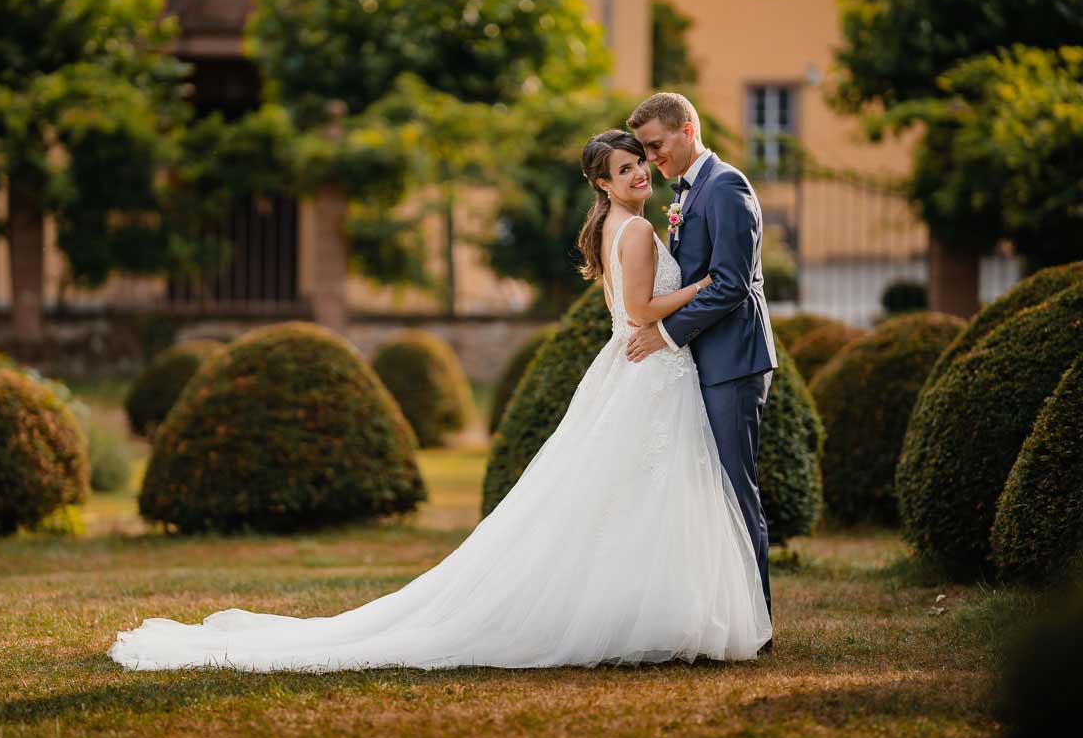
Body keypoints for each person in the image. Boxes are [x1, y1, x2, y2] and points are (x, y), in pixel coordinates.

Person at [108, 129, 772, 673]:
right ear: (602, 181)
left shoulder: (621, 226)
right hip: (649, 365)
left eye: (640, 164)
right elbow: (640, 308)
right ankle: (653, 618)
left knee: (635, 496)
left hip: (647, 369)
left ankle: (655, 613)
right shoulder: (630, 232)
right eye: (625, 168)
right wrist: (704, 284)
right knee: (645, 492)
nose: (638, 175)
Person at [626, 93, 778, 633]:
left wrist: (664, 333)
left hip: (733, 361)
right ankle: (724, 614)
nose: (650, 158)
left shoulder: (727, 187)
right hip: (705, 359)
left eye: (656, 145)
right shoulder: (690, 193)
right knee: (709, 490)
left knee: (736, 490)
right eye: (643, 150)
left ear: (688, 129)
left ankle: (755, 622)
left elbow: (732, 285)